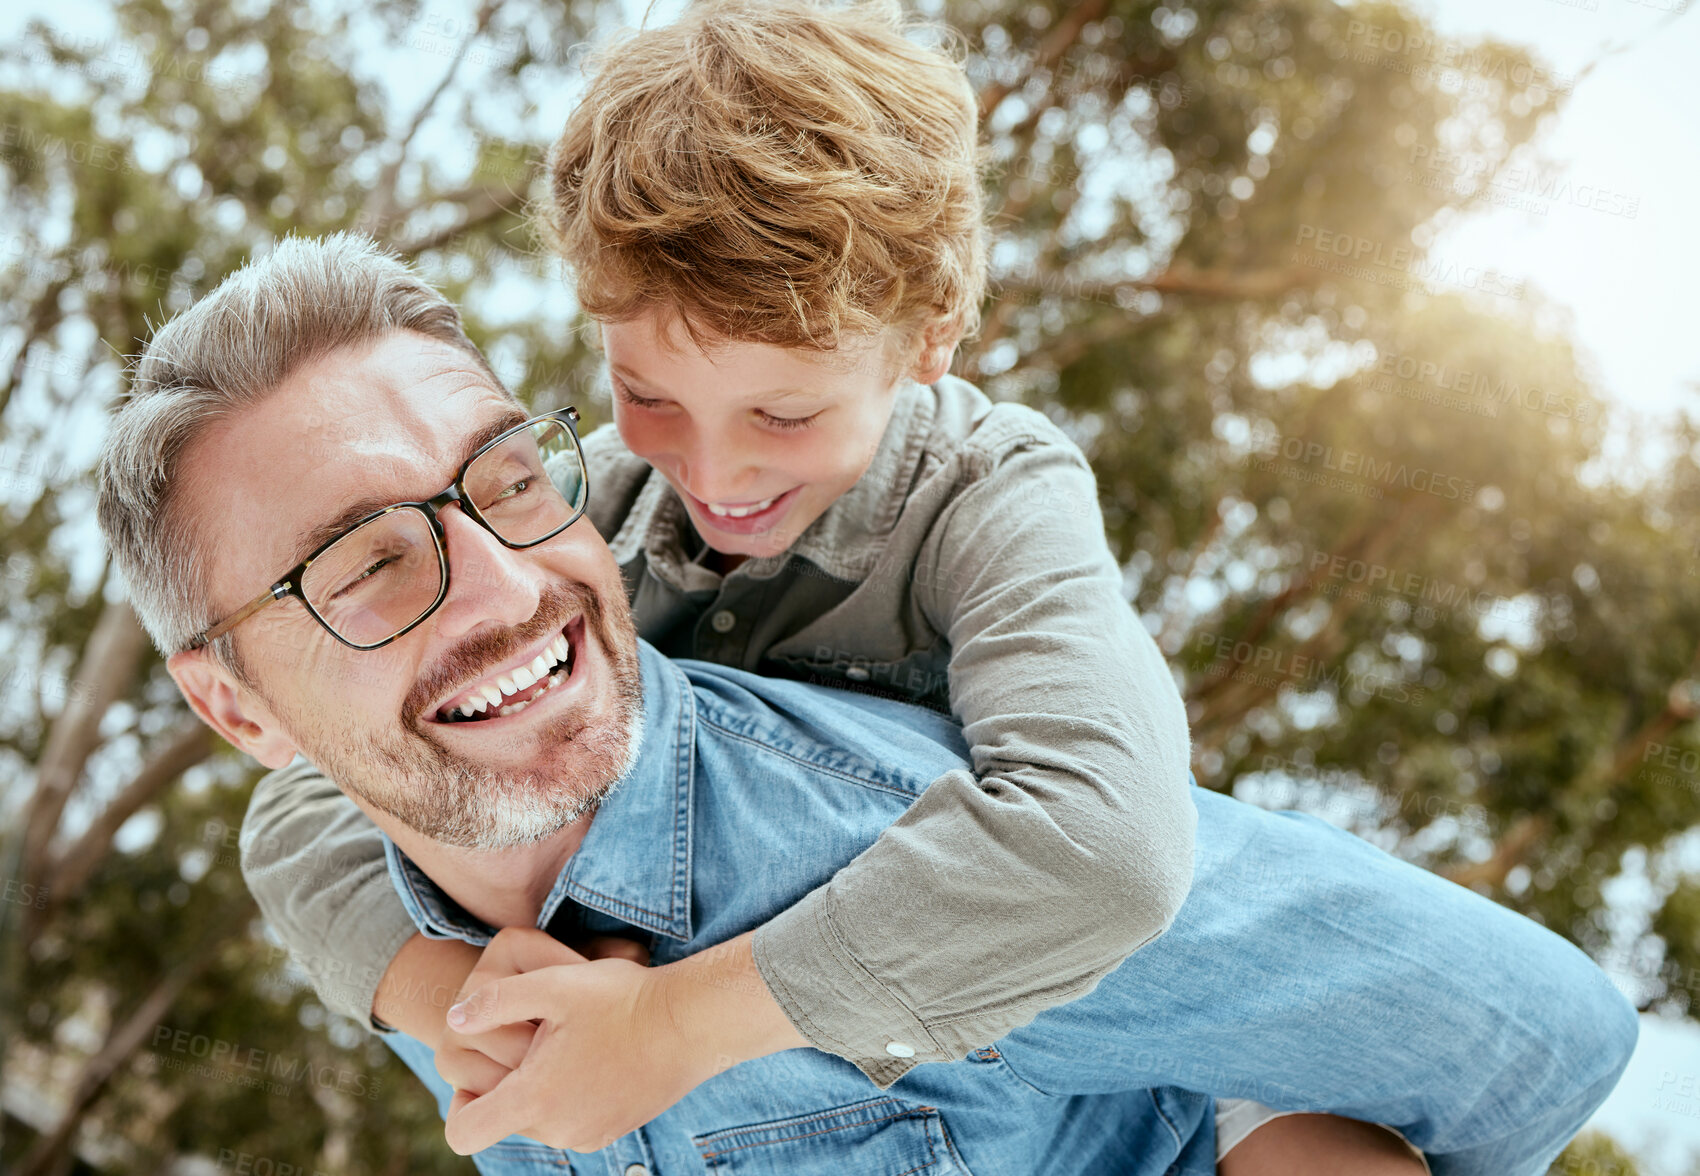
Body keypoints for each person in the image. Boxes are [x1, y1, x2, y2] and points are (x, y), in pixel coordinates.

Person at [97, 234, 1636, 1175]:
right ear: (240, 710)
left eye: (510, 479)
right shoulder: (429, 827)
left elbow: (1527, 1033)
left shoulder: (926, 802)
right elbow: (293, 838)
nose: (502, 578)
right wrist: (465, 1011)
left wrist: (684, 1025)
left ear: (918, 353)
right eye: (365, 562)